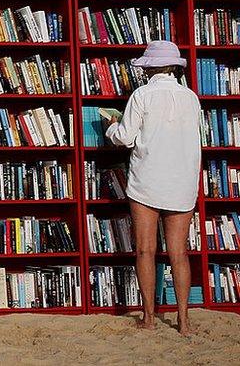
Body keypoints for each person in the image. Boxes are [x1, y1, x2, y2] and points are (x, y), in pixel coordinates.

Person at [105, 40, 200, 335]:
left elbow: (126, 136)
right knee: (179, 253)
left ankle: (148, 318)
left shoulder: (142, 95)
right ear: (174, 67)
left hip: (147, 180)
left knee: (146, 250)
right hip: (182, 180)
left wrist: (112, 126)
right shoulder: (191, 97)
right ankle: (183, 321)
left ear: (148, 68)